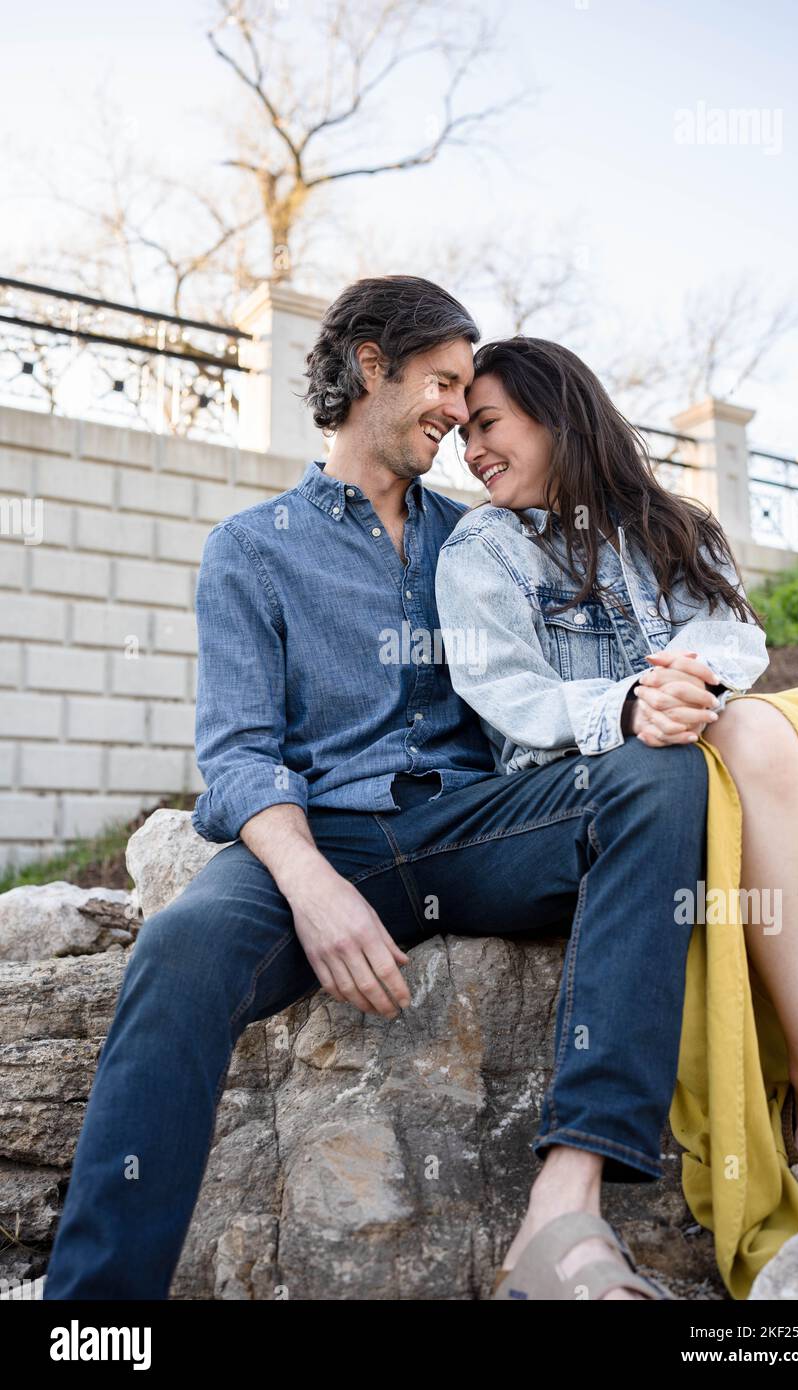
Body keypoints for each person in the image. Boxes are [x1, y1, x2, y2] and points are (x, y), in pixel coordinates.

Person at [43, 276, 708, 1303]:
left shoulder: (483, 535)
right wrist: (309, 886)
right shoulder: (251, 550)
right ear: (368, 365)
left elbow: (583, 656)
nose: (456, 409)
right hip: (319, 837)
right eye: (441, 381)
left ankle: (564, 1205)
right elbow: (236, 754)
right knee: (180, 945)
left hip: (468, 826)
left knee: (653, 783)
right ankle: (93, 1312)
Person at [433, 334, 798, 1296]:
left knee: (793, 721)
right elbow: (511, 696)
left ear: (558, 412)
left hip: (716, 756)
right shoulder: (483, 549)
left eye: (489, 424)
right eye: (462, 434)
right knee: (760, 735)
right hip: (591, 791)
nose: (473, 450)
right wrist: (628, 705)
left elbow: (731, 635)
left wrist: (680, 679)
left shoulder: (670, 523)